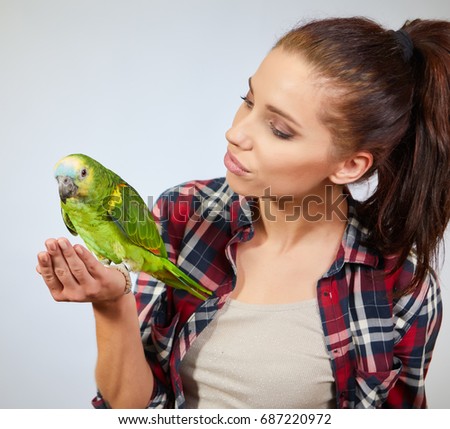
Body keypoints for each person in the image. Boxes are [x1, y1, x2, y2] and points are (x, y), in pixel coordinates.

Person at [37, 17, 449, 408]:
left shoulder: (402, 288)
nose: (235, 133)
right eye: (247, 101)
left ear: (350, 166)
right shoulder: (181, 217)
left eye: (279, 129)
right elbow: (135, 409)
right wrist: (112, 303)